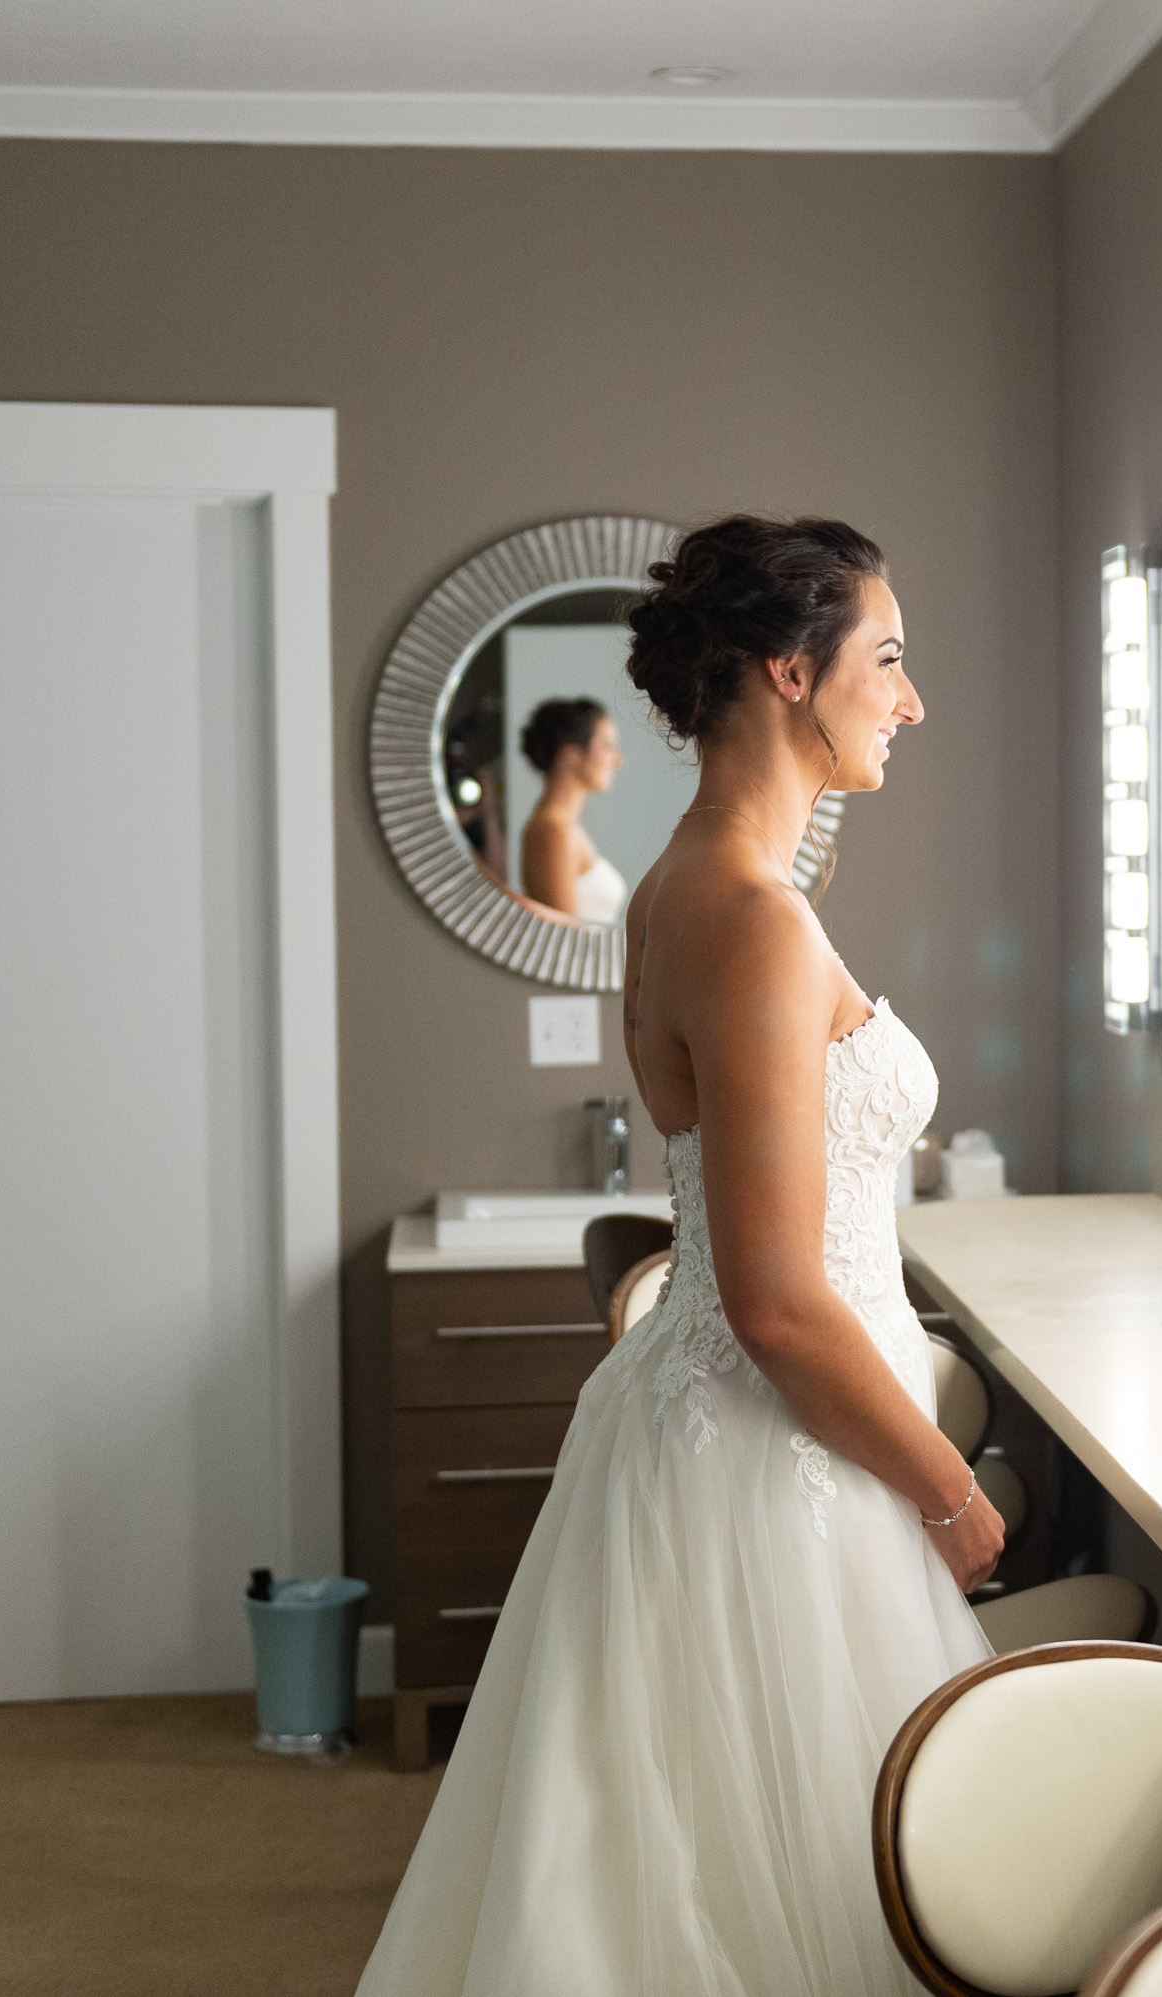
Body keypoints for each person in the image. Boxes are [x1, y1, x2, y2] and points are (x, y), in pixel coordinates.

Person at [358, 516, 1000, 1994]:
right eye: (887, 661)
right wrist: (950, 1488)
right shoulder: (752, 922)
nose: (911, 701)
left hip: (737, 1438)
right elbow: (778, 1302)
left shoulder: (691, 887)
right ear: (791, 670)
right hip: (776, 1462)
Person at [514, 696, 627, 924]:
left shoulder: (560, 826)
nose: (618, 761)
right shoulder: (554, 831)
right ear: (571, 755)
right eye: (607, 746)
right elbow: (565, 936)